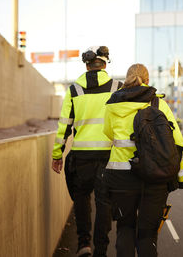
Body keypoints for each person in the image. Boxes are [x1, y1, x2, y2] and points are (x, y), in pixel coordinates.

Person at [102, 63, 183, 257]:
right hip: (154, 177)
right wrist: (182, 177)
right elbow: (177, 141)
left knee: (125, 228)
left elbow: (108, 133)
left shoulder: (112, 104)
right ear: (147, 80)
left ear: (126, 79)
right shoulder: (158, 103)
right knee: (147, 234)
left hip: (120, 176)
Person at [51, 46, 122, 257]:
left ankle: (84, 244)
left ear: (87, 65)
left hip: (81, 156)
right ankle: (101, 250)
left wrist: (57, 154)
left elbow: (63, 126)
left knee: (81, 199)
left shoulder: (74, 90)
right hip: (108, 156)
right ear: (105, 63)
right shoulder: (117, 87)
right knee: (104, 204)